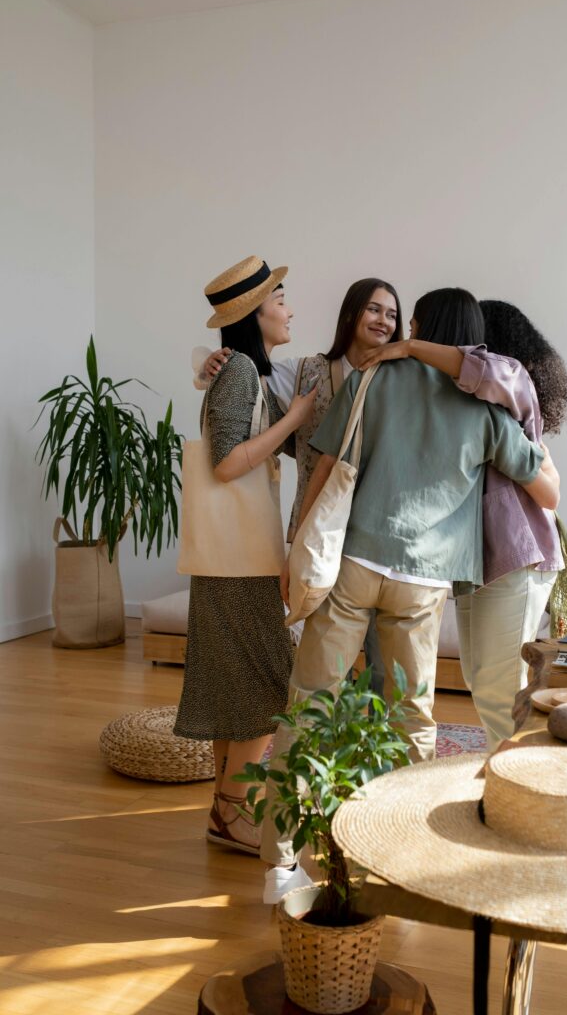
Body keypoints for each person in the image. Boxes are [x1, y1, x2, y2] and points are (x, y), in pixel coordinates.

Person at [261, 288, 561, 902]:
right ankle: (399, 857)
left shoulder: (375, 378)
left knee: (310, 706)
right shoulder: (488, 412)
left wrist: (296, 546)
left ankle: (280, 864)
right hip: (422, 583)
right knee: (412, 722)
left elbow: (326, 465)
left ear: (423, 329)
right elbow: (545, 491)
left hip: (355, 563)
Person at [359, 293, 567, 748]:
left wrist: (411, 348)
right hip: (478, 562)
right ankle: (506, 784)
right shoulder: (457, 404)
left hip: (517, 555)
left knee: (499, 690)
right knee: (482, 682)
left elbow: (547, 491)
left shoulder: (506, 381)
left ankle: (522, 792)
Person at [193, 277, 404, 694]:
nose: (384, 320)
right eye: (374, 309)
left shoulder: (404, 379)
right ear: (350, 313)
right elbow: (243, 387)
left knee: (387, 665)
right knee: (324, 664)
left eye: (393, 314)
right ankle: (330, 755)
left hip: (382, 538)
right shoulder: (304, 372)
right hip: (318, 533)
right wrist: (205, 366)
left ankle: (386, 758)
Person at [174, 256, 318, 856]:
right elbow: (226, 461)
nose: (289, 310)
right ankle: (233, 813)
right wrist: (296, 420)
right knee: (267, 686)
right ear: (254, 314)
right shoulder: (239, 374)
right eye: (281, 299)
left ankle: (224, 815)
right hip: (239, 563)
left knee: (232, 687)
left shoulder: (238, 372)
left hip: (228, 561)